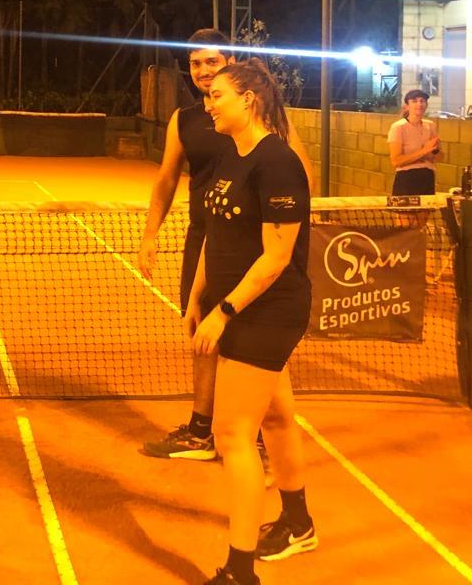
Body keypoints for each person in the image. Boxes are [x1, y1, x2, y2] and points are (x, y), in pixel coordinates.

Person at [138, 30, 313, 463]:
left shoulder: (263, 117)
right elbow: (165, 178)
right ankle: (202, 430)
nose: (202, 71)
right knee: (201, 328)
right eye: (195, 63)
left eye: (212, 62)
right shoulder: (184, 120)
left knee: (257, 335)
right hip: (206, 238)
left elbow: (299, 174)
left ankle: (259, 433)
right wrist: (150, 235)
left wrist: (286, 226)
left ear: (230, 64)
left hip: (255, 242)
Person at [187, 60, 316, 585]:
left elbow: (276, 258)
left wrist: (224, 311)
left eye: (217, 94)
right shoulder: (229, 154)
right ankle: (298, 524)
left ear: (249, 99)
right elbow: (215, 233)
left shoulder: (277, 162)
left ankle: (239, 571)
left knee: (232, 435)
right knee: (277, 418)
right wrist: (198, 295)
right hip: (236, 304)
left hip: (269, 311)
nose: (209, 104)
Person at [388, 90, 441, 196]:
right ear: (407, 106)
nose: (419, 104)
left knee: (426, 207)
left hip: (428, 176)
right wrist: (424, 151)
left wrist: (435, 151)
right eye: (414, 101)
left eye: (422, 101)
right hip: (407, 178)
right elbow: (396, 161)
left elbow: (439, 157)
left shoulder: (430, 125)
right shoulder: (398, 127)